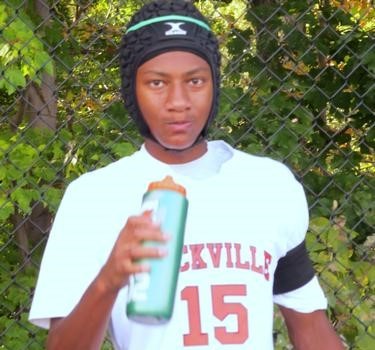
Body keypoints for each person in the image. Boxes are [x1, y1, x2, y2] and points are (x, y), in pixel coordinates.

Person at [29, 1, 344, 349]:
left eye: (195, 80)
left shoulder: (269, 185)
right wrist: (110, 279)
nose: (178, 101)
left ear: (215, 84)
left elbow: (311, 328)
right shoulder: (93, 197)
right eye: (157, 83)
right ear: (131, 90)